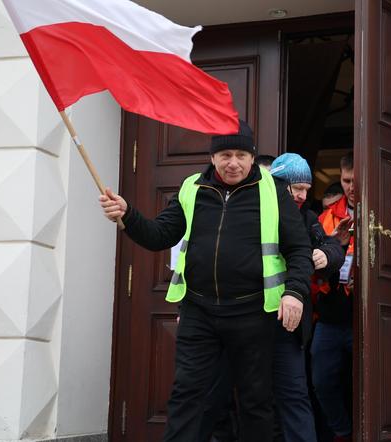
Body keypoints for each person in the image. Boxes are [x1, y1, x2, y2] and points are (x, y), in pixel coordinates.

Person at [99, 120, 313, 442]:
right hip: (200, 312)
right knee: (188, 396)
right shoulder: (191, 188)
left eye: (241, 154)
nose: (233, 163)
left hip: (253, 313)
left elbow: (299, 249)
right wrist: (128, 215)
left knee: (256, 401)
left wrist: (294, 292)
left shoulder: (274, 190)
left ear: (252, 157)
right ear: (212, 157)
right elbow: (160, 235)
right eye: (225, 154)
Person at [200, 153, 344, 442]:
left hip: (285, 326)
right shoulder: (248, 211)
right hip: (242, 321)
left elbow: (334, 249)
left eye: (307, 188)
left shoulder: (307, 218)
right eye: (297, 188)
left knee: (293, 397)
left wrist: (325, 255)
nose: (304, 196)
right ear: (278, 185)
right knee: (235, 399)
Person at [310, 152, 355, 442]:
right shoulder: (326, 218)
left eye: (355, 180)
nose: (351, 186)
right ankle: (342, 431)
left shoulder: (383, 207)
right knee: (322, 380)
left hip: (371, 311)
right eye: (346, 180)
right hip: (332, 312)